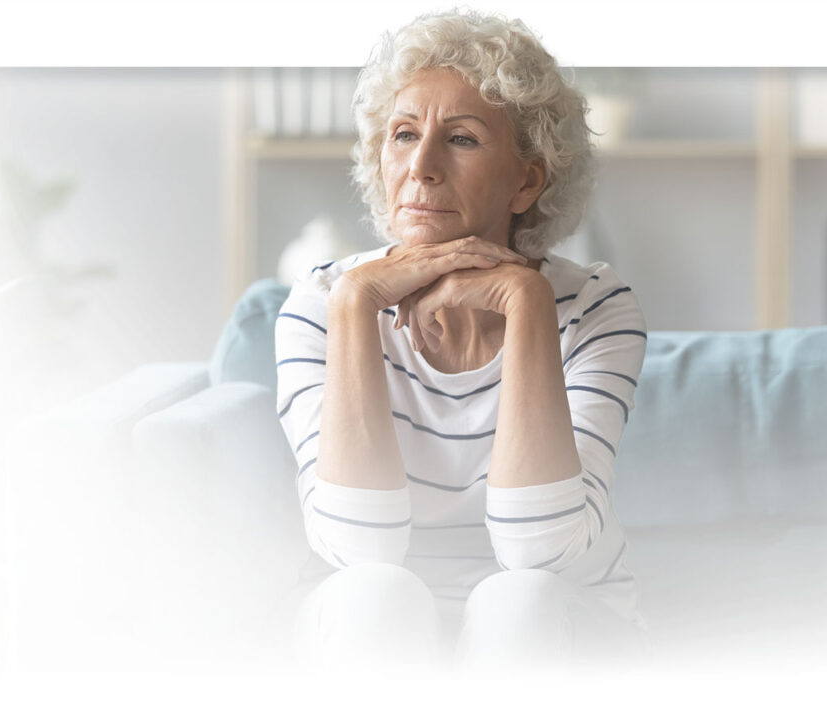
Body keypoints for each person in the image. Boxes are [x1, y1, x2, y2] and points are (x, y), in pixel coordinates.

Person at [274, 8, 649, 671]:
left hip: (554, 624)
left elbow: (541, 551)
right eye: (403, 134)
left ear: (528, 179)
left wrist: (526, 301)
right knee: (374, 592)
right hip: (369, 620)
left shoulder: (595, 308)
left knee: (518, 601)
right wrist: (359, 305)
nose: (421, 166)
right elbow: (359, 547)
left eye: (463, 139)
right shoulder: (324, 303)